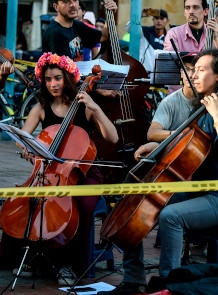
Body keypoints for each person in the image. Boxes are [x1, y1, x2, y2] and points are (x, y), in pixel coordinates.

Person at [98, 48, 218, 295]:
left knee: (171, 215)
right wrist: (156, 145)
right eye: (194, 70)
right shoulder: (198, 109)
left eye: (201, 70)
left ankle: (170, 285)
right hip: (194, 190)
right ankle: (133, 280)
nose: (195, 76)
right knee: (137, 202)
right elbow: (187, 144)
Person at [15, 52, 118, 285]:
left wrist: (96, 108)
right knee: (32, 202)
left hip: (85, 172)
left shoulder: (85, 106)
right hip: (52, 172)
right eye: (49, 79)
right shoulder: (41, 108)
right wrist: (28, 149)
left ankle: (72, 264)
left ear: (68, 78)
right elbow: (22, 137)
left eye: (58, 78)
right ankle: (39, 257)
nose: (53, 84)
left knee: (82, 203)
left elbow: (112, 137)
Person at [134, 52, 198, 160]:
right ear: (181, 73)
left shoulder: (208, 99)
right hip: (175, 155)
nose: (190, 75)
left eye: (195, 70)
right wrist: (179, 134)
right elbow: (152, 133)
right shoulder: (169, 102)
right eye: (186, 69)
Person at [163, 0, 218, 94]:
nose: (191, 11)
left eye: (196, 7)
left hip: (209, 93)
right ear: (184, 12)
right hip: (181, 92)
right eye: (187, 8)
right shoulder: (174, 34)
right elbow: (171, 64)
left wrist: (216, 40)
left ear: (206, 11)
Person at [42, 0, 117, 62]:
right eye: (66, 1)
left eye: (75, 0)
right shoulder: (55, 33)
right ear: (56, 7)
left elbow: (103, 37)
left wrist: (109, 14)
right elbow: (62, 72)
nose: (73, 5)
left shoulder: (77, 25)